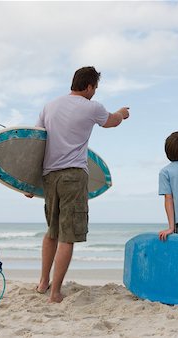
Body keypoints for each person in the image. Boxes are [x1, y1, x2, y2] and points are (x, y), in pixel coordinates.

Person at [25, 66, 129, 303]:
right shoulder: (92, 107)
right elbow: (111, 122)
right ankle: (55, 292)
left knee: (52, 231)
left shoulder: (49, 106)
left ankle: (43, 283)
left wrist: (29, 183)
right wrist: (122, 113)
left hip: (49, 176)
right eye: (95, 88)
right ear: (89, 86)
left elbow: (36, 144)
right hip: (73, 175)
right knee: (67, 235)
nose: (95, 92)